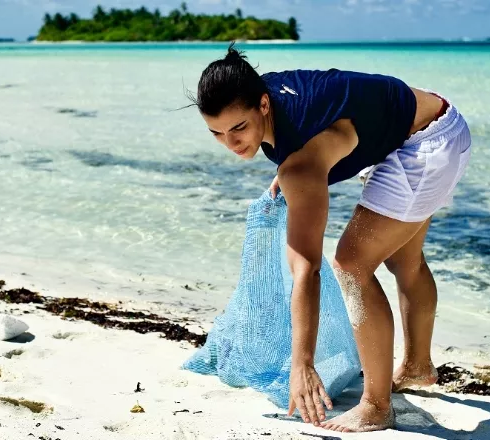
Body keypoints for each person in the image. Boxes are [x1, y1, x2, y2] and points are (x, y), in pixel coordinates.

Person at [189, 42, 472, 433]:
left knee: (352, 264)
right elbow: (321, 133)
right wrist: (292, 167)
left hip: (425, 143)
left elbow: (307, 268)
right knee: (403, 259)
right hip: (432, 119)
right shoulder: (257, 91)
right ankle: (417, 367)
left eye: (239, 128)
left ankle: (376, 406)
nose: (232, 143)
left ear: (264, 106)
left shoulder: (300, 162)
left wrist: (302, 363)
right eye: (216, 133)